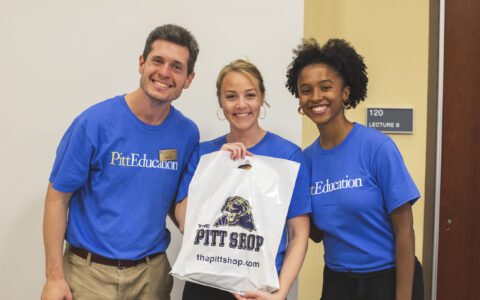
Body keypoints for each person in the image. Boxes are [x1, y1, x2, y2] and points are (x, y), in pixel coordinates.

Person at [41, 24, 200, 300]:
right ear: (141, 63)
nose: (164, 73)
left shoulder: (186, 134)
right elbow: (57, 198)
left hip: (151, 278)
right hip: (88, 275)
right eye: (157, 61)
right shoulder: (94, 123)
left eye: (177, 66)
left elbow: (176, 202)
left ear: (189, 78)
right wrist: (54, 277)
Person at [285, 38, 424, 300]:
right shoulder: (306, 161)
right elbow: (315, 233)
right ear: (300, 99)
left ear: (345, 92)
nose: (316, 97)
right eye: (306, 90)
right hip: (338, 282)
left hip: (388, 278)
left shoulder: (377, 147)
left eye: (325, 87)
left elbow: (405, 229)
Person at [175, 59, 311, 300]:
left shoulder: (288, 155)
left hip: (261, 290)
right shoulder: (205, 154)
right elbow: (185, 221)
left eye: (250, 95)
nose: (241, 105)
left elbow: (298, 234)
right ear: (220, 101)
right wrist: (218, 167)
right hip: (206, 286)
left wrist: (280, 294)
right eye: (231, 96)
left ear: (262, 98)